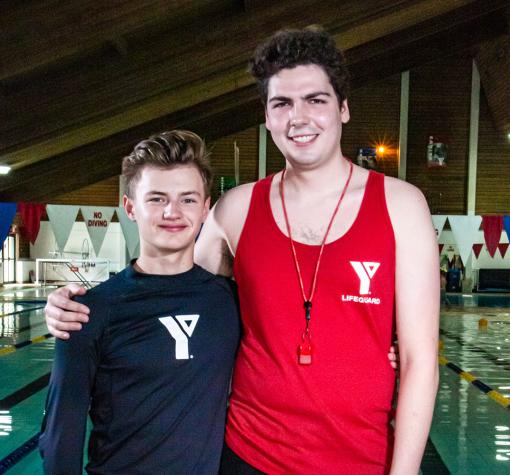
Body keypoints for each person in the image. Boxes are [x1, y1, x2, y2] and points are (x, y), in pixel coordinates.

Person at [45, 28, 439, 474]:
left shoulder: (401, 206)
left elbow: (419, 360)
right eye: (282, 104)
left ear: (343, 109)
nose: (299, 117)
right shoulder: (237, 209)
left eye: (316, 100)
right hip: (248, 456)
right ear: (267, 118)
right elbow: (168, 288)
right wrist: (77, 309)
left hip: (361, 458)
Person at [39, 130, 240, 474]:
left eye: (188, 199)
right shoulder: (88, 311)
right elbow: (62, 434)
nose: (173, 212)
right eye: (157, 199)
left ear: (207, 208)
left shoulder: (229, 302)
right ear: (130, 207)